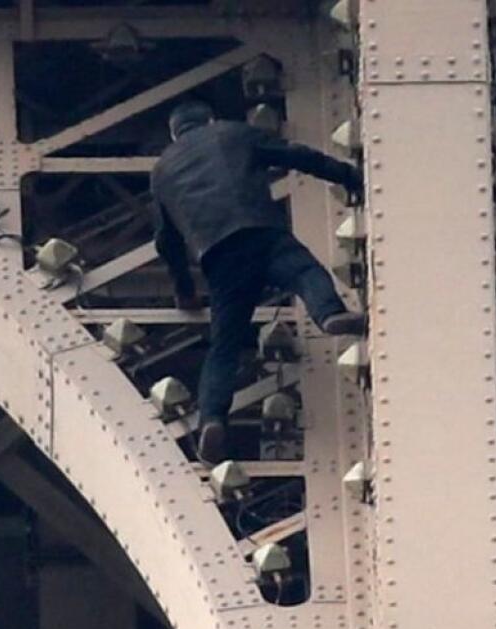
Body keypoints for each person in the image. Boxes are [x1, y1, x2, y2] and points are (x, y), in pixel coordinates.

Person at [151, 100, 364, 464]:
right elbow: (296, 156)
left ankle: (212, 420)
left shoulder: (162, 171)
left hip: (217, 256)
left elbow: (166, 241)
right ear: (210, 117)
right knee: (304, 271)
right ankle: (329, 314)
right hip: (261, 231)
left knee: (225, 345)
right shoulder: (233, 132)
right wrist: (347, 175)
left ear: (174, 134)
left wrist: (184, 290)